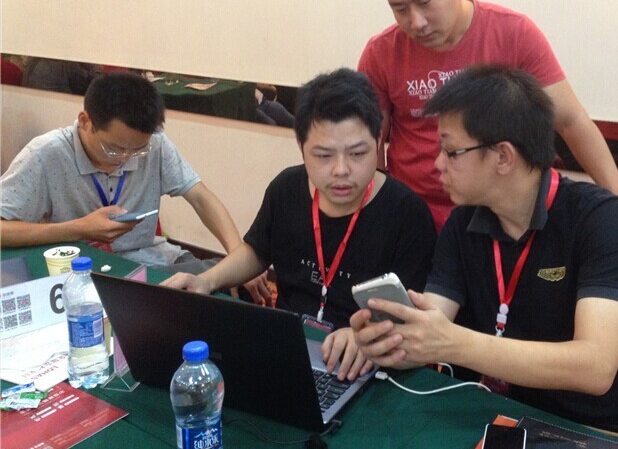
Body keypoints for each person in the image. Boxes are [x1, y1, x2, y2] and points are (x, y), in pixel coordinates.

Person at [352, 66, 618, 447]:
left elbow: (595, 367)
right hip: (506, 418)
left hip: (604, 433)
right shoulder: (462, 224)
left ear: (503, 157)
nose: (438, 165)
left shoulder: (601, 218)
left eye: (451, 152)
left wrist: (451, 343)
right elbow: (433, 324)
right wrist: (390, 340)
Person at [358, 0, 618, 234]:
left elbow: (570, 121)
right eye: (400, 9)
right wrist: (374, 211)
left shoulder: (513, 34)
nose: (416, 22)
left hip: (504, 219)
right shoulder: (381, 53)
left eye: (425, 1)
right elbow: (369, 141)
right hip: (416, 218)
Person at [162, 68, 437, 381]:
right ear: (300, 146)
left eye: (357, 153)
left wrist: (367, 336)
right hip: (288, 345)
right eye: (323, 156)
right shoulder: (286, 188)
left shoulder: (407, 213)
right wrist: (206, 281)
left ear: (378, 141)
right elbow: (257, 251)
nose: (341, 170)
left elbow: (413, 316)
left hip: (364, 364)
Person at [0, 72, 269, 300]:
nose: (125, 158)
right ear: (85, 121)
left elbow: (201, 198)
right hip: (82, 272)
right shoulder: (46, 154)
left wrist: (237, 258)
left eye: (137, 150)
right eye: (114, 148)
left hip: (153, 261)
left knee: (229, 287)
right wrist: (79, 228)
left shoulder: (156, 145)